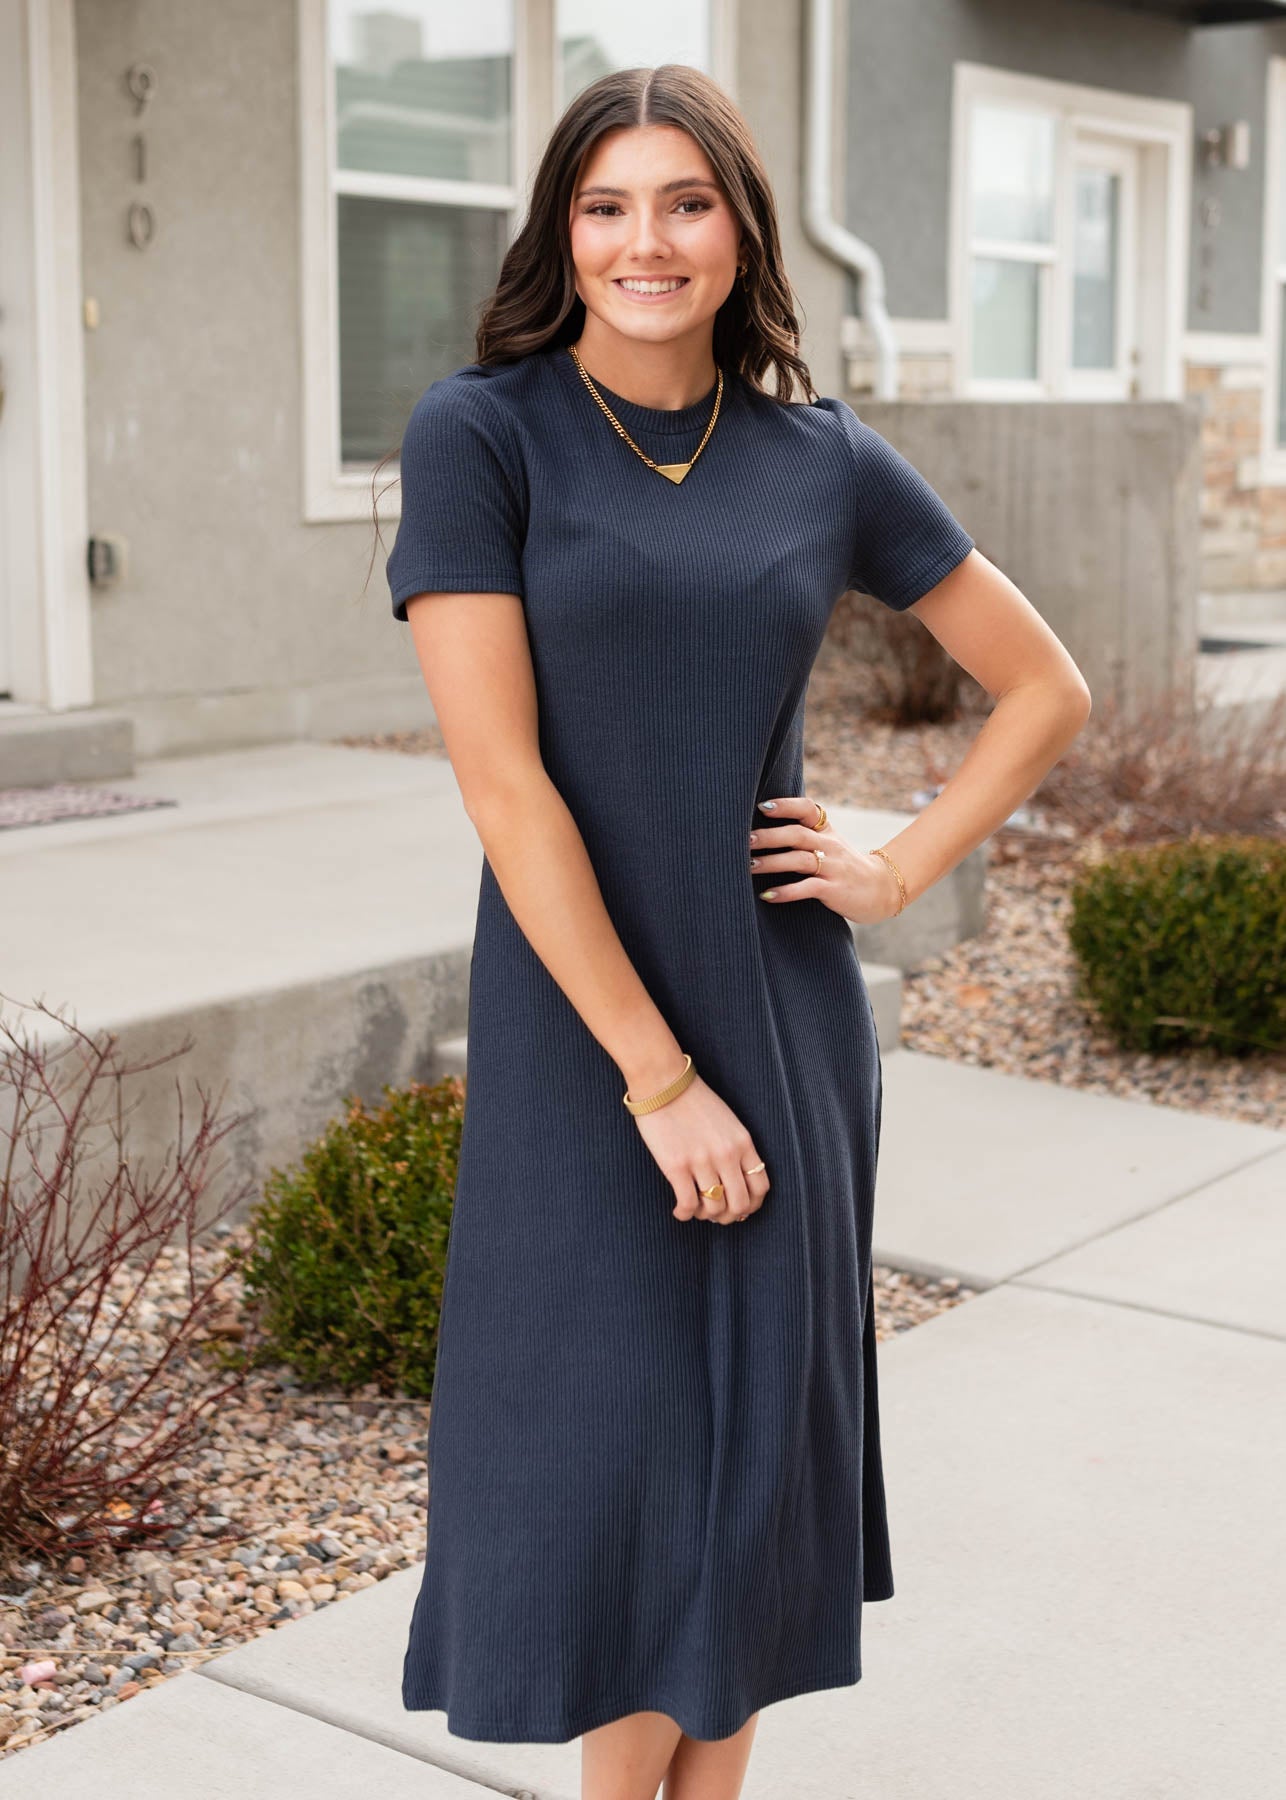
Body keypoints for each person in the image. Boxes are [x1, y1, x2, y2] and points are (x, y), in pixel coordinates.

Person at [380, 62, 1091, 1800]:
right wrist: (650, 1076)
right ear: (563, 227)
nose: (646, 241)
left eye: (683, 203)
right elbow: (508, 794)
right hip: (592, 1041)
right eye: (607, 205)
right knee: (615, 1471)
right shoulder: (483, 434)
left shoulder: (819, 455)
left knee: (742, 1473)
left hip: (782, 1028)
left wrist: (898, 868)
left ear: (737, 229)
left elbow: (1042, 687)